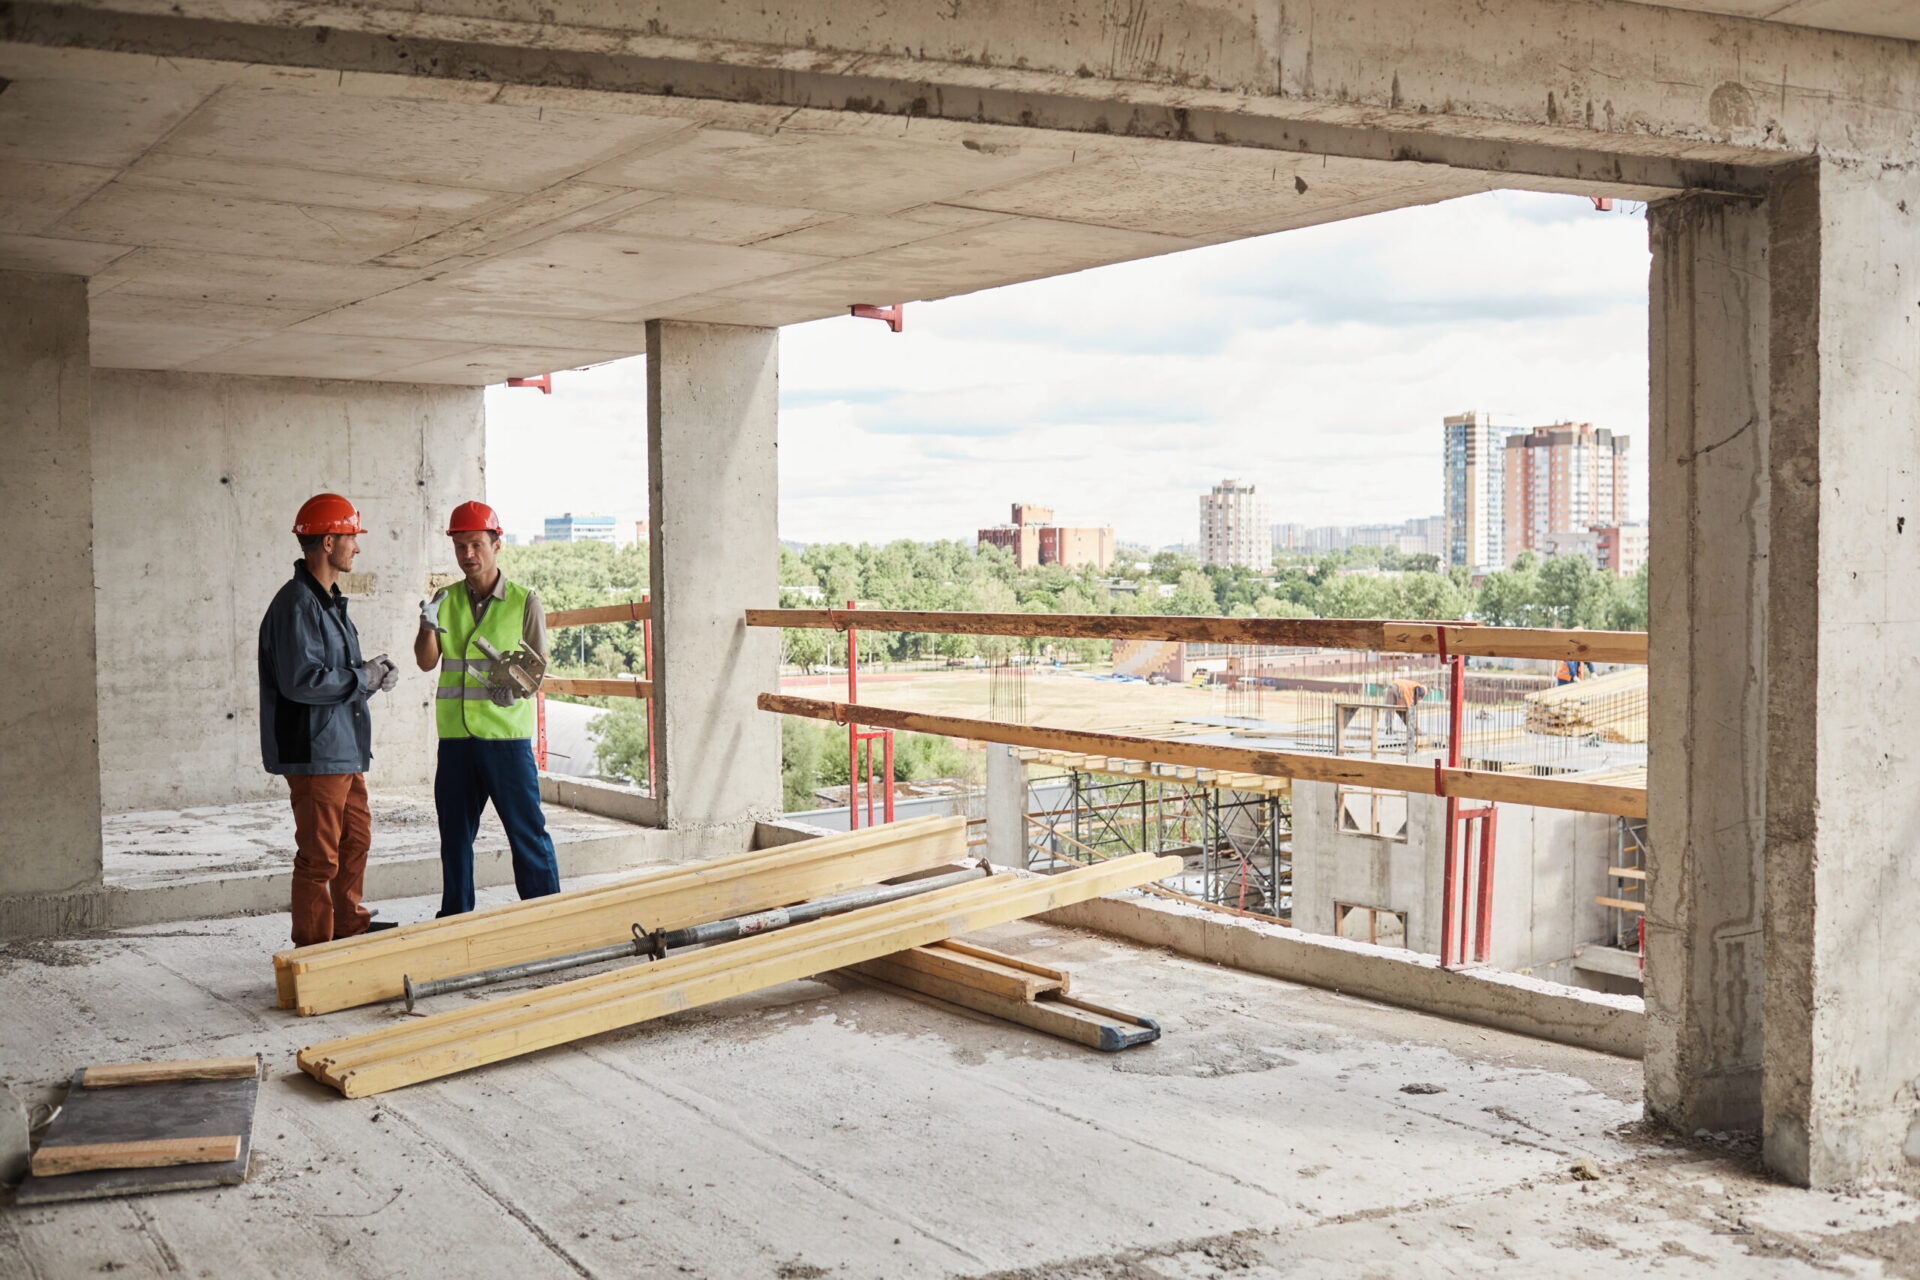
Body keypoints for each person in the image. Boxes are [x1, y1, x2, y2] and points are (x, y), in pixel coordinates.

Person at [259, 493, 399, 946]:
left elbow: (339, 680)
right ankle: (314, 949)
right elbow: (302, 682)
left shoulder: (329, 602)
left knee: (355, 840)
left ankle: (348, 927)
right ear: (327, 542)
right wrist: (363, 676)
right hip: (315, 753)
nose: (356, 546)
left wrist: (371, 677)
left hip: (342, 750)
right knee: (320, 857)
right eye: (351, 537)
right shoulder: (297, 604)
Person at [414, 500, 561, 917]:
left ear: (496, 544)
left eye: (476, 545)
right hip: (457, 740)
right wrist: (427, 628)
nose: (468, 555)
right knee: (455, 838)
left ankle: (547, 918)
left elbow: (536, 673)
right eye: (460, 547)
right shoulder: (444, 599)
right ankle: (455, 918)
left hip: (505, 740)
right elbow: (427, 661)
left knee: (526, 833)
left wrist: (515, 690)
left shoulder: (524, 601)